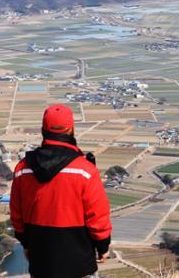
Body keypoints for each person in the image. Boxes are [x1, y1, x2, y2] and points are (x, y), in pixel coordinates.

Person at [10, 104, 112, 278]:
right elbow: (97, 216)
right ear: (71, 129)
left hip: (41, 260)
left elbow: (16, 214)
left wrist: (26, 244)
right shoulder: (85, 170)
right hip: (79, 263)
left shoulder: (23, 168)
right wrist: (103, 246)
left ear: (43, 129)